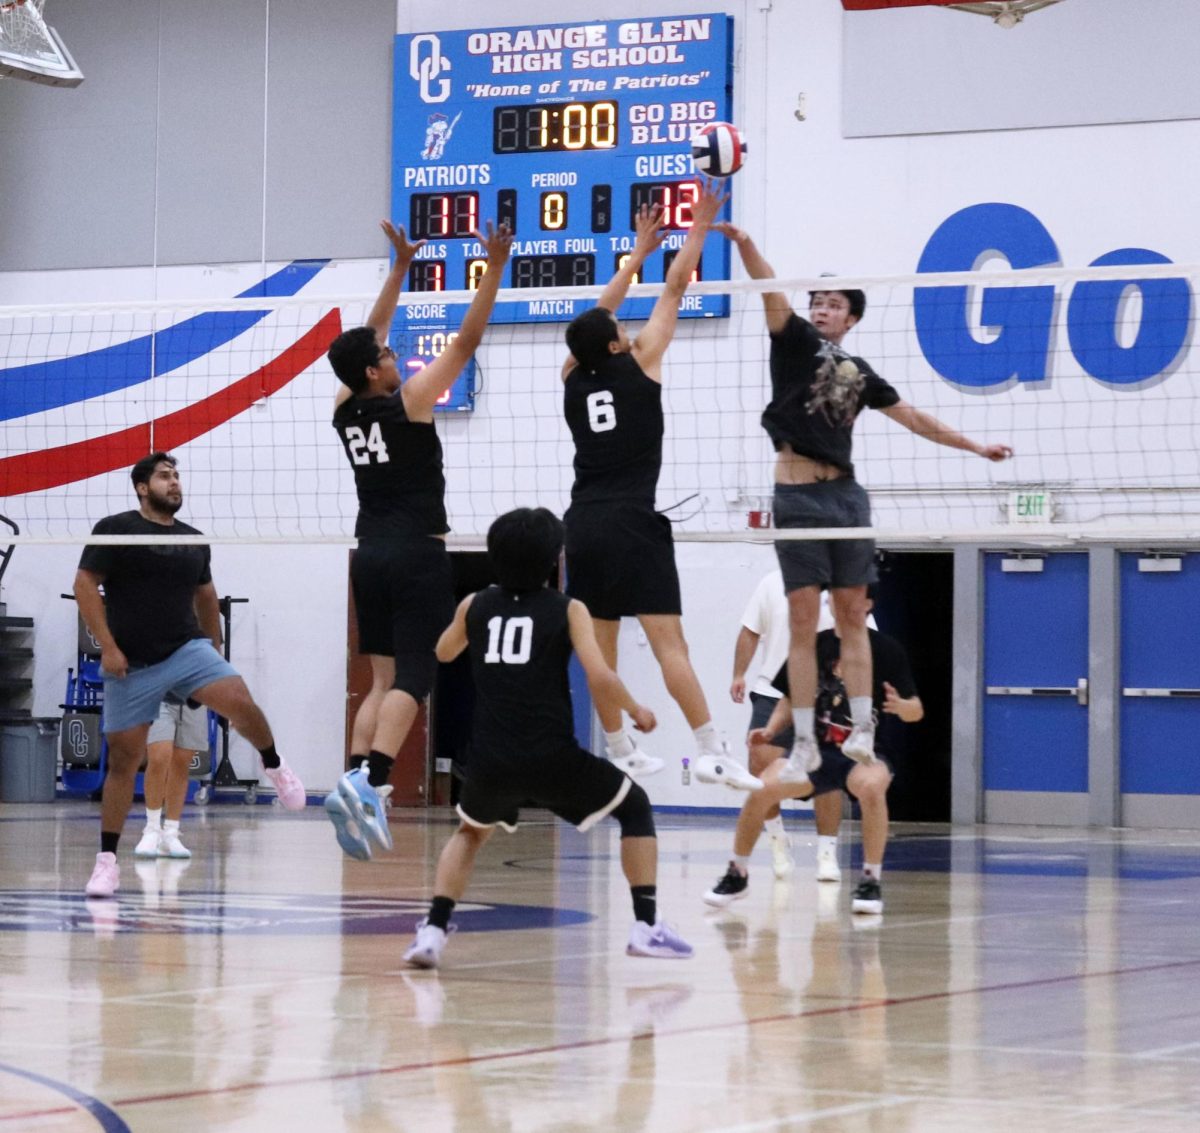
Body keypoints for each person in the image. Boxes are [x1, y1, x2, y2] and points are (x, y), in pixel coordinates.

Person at [717, 223, 1011, 783]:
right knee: (804, 622)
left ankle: (860, 729)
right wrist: (746, 243)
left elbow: (915, 418)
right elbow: (769, 289)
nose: (822, 310)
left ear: (852, 318)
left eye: (833, 305)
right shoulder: (793, 338)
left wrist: (976, 446)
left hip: (846, 497)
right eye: (818, 303)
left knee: (852, 615)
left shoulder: (861, 373)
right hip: (798, 496)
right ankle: (803, 740)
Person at [403, 507, 693, 969]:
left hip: (491, 758)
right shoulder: (568, 609)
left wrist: (469, 627)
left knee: (470, 832)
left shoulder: (474, 604)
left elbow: (443, 651)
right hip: (551, 756)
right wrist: (635, 709)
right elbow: (599, 675)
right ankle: (646, 925)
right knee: (635, 807)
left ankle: (433, 932)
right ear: (553, 559)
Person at [561, 178, 760, 792]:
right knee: (670, 643)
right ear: (617, 341)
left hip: (584, 522)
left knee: (599, 651)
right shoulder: (643, 358)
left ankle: (618, 747)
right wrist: (695, 223)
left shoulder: (571, 375)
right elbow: (676, 287)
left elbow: (590, 322)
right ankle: (710, 747)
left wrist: (633, 259)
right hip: (632, 521)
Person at [323, 218, 513, 861]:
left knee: (377, 679)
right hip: (415, 552)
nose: (391, 353)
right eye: (384, 356)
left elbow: (364, 340)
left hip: (368, 551)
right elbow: (468, 339)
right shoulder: (407, 401)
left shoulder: (344, 408)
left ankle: (352, 777)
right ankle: (374, 783)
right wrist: (494, 266)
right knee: (415, 676)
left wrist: (401, 269)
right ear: (376, 373)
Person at [76, 452, 306, 898]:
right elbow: (85, 585)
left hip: (186, 650)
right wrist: (108, 647)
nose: (174, 482)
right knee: (124, 762)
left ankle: (274, 765)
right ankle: (107, 862)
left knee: (240, 700)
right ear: (143, 487)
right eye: (165, 476)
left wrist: (213, 651)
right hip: (132, 663)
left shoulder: (194, 540)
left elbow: (207, 596)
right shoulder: (116, 528)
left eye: (177, 476)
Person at [705, 604, 923, 915]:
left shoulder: (886, 650)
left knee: (872, 788)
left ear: (867, 604)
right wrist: (769, 730)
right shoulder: (813, 645)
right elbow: (789, 698)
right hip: (813, 751)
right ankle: (737, 872)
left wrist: (901, 706)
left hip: (865, 755)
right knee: (761, 788)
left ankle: (871, 879)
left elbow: (916, 710)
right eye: (834, 595)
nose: (839, 601)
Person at [730, 572, 877, 881]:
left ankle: (826, 853)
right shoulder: (770, 583)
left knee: (826, 773)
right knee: (759, 763)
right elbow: (749, 630)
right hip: (774, 690)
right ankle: (777, 841)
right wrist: (739, 674)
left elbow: (866, 638)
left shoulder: (843, 587)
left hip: (827, 695)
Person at [133, 696, 209, 859]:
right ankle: (152, 828)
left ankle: (170, 832)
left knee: (182, 763)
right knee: (159, 756)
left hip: (193, 697)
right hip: (159, 694)